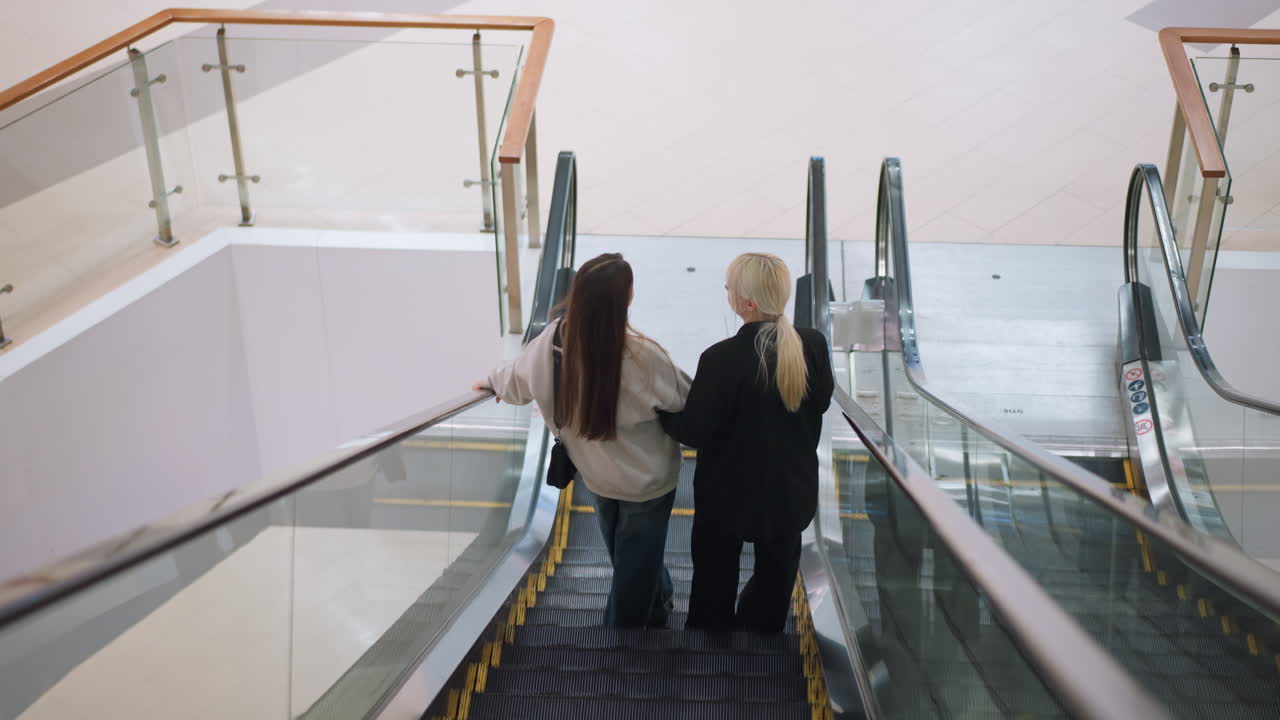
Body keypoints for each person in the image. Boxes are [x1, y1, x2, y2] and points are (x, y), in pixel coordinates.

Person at [476, 253, 689, 628]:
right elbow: (688, 399)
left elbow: (514, 383)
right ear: (626, 299)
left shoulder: (552, 342)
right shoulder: (644, 358)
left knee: (628, 556)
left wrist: (492, 382)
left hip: (598, 477)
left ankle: (658, 595)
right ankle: (624, 639)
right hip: (648, 483)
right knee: (634, 563)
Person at [658, 252, 833, 633]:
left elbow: (695, 432)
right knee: (775, 581)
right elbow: (820, 403)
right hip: (790, 493)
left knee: (713, 583)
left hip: (726, 497)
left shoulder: (721, 359)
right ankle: (760, 641)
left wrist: (659, 414)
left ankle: (709, 649)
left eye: (729, 289)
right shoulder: (814, 345)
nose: (727, 294)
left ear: (747, 303)